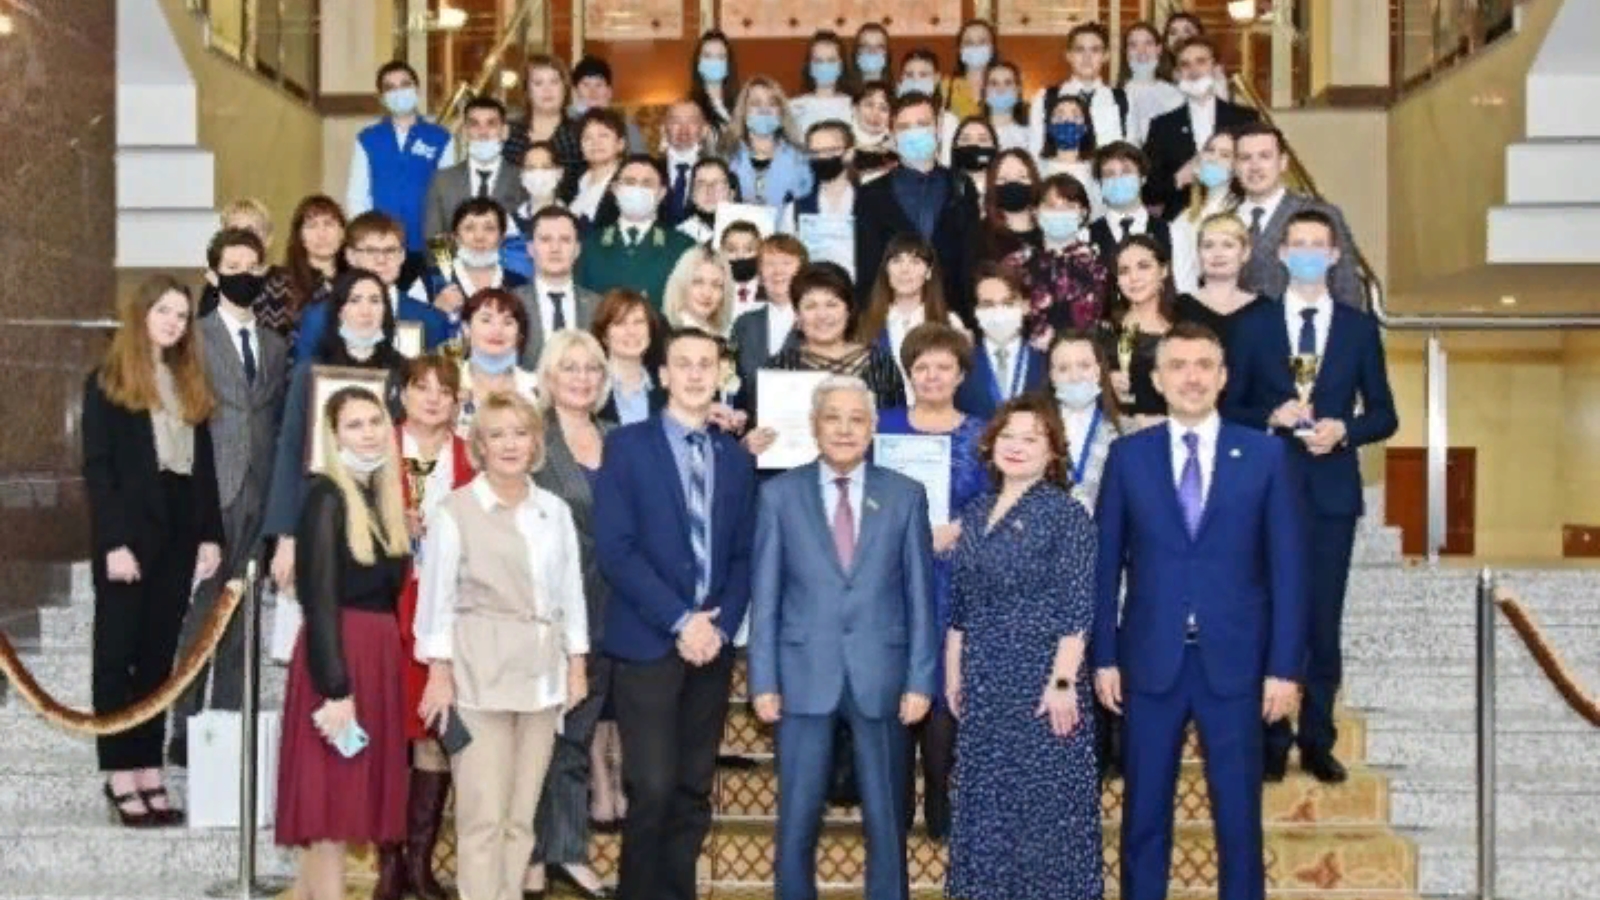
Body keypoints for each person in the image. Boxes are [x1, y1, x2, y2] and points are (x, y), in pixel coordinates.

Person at [1093, 321, 1308, 900]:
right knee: (1143, 818)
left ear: (1223, 377)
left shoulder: (1265, 456)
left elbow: (1289, 571)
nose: (1192, 377)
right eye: (1178, 365)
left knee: (1238, 819)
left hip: (1237, 666)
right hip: (1149, 663)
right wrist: (1104, 656)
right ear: (1158, 379)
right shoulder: (1128, 457)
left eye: (1204, 365)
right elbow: (1105, 566)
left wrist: (1284, 668)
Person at [1222, 209, 1397, 784]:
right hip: (1265, 492)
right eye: (1296, 243)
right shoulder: (1252, 326)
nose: (1305, 252)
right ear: (1279, 254)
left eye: (1316, 244)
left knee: (1323, 621)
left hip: (1330, 493)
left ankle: (1318, 739)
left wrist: (1345, 429)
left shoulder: (1358, 328)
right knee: (1268, 616)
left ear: (1335, 255)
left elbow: (1385, 414)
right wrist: (1269, 417)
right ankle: (1270, 739)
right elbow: (1228, 407)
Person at [747, 375, 936, 900]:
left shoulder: (906, 495)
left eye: (857, 419)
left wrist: (921, 679)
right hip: (802, 675)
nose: (845, 429)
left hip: (884, 677)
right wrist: (763, 680)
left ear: (873, 427)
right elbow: (766, 595)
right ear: (814, 426)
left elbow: (921, 597)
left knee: (887, 819)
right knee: (797, 819)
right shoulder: (779, 496)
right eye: (833, 417)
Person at [593, 327, 759, 900]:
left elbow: (744, 554)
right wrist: (681, 620)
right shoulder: (626, 446)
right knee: (653, 786)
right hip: (648, 641)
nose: (694, 374)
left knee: (692, 788)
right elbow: (616, 549)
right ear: (662, 375)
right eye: (682, 364)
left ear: (720, 375)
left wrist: (718, 625)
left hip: (712, 647)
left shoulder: (734, 459)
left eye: (705, 364)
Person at [415, 391, 589, 900]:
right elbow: (436, 600)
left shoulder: (554, 511)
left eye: (520, 433)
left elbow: (571, 592)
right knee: (482, 820)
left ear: (535, 442)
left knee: (520, 821)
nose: (510, 444)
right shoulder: (454, 511)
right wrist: (439, 673)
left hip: (542, 681)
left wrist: (577, 664)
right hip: (478, 678)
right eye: (497, 435)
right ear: (481, 446)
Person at [946, 392, 1100, 900]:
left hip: (1040, 684)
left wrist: (1063, 682)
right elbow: (961, 605)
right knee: (986, 811)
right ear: (990, 445)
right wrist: (953, 673)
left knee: (1043, 817)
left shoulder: (1066, 515)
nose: (1016, 446)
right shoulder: (977, 511)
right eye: (1007, 436)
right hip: (984, 684)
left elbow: (1077, 607)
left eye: (1031, 439)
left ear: (1052, 451)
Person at [83, 275, 223, 826]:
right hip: (129, 531)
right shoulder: (107, 381)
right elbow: (99, 471)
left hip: (179, 527)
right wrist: (114, 542)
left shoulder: (189, 380)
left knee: (159, 660)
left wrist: (210, 534)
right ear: (142, 314)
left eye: (181, 316)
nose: (173, 322)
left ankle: (148, 768)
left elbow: (204, 467)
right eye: (164, 311)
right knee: (117, 655)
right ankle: (119, 772)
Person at [274, 386, 411, 900]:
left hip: (377, 658)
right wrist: (336, 690)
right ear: (333, 437)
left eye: (375, 421)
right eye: (354, 425)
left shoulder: (382, 498)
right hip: (338, 662)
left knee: (339, 805)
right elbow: (320, 601)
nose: (368, 433)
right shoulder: (326, 496)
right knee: (330, 805)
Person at [168, 249, 290, 764]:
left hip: (259, 494)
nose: (244, 275)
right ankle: (184, 724)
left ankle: (226, 724)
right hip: (209, 492)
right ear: (213, 275)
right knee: (202, 613)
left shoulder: (275, 344)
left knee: (242, 616)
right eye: (232, 267)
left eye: (252, 267)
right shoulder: (194, 337)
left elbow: (277, 419)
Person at [875, 323, 988, 839]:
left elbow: (1000, 504)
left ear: (961, 374)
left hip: (957, 579)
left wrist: (959, 530)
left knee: (946, 692)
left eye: (944, 367)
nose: (933, 376)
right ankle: (893, 812)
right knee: (894, 688)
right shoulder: (882, 427)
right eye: (922, 367)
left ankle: (943, 804)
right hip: (889, 580)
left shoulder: (983, 435)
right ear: (908, 373)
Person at [524, 331, 619, 900]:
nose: (582, 378)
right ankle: (536, 854)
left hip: (610, 609)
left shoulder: (618, 438)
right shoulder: (532, 438)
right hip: (546, 610)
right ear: (549, 376)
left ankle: (565, 850)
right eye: (570, 368)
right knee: (541, 738)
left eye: (591, 369)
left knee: (577, 738)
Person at [266, 269, 410, 596]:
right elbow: (290, 453)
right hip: (318, 515)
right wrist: (286, 538)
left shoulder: (402, 373)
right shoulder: (309, 372)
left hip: (384, 518)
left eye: (375, 300)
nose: (365, 309)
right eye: (355, 300)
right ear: (339, 310)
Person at [387, 356, 473, 900]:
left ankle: (418, 861)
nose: (434, 399)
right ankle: (388, 863)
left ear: (458, 401)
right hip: (383, 605)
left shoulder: (470, 457)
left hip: (444, 613)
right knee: (386, 736)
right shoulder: (377, 446)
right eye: (422, 388)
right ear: (404, 395)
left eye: (445, 390)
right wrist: (390, 524)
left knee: (432, 735)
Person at [855, 90, 982, 325]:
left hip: (953, 314)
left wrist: (970, 320)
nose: (914, 133)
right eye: (904, 127)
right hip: (892, 316)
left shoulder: (962, 185)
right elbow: (868, 266)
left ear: (938, 128)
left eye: (922, 124)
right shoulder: (871, 194)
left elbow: (970, 258)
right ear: (892, 135)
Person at [1232, 123, 1363, 306]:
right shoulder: (1223, 221)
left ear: (1283, 163)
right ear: (1235, 166)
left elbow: (1346, 288)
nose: (1255, 166)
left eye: (1265, 156)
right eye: (1245, 158)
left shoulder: (1322, 214)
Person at [294, 212, 452, 361]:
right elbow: (303, 376)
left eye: (390, 251)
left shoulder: (431, 319)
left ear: (402, 256)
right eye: (370, 251)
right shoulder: (320, 316)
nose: (381, 260)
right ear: (350, 256)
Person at [347, 61, 455, 261]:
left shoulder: (440, 137)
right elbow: (357, 197)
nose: (399, 92)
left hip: (432, 243)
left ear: (417, 90)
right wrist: (367, 243)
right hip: (382, 247)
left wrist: (446, 254)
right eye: (390, 88)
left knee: (443, 280)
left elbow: (448, 197)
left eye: (405, 85)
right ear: (382, 97)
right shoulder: (368, 138)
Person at [1142, 38, 1258, 215]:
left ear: (1215, 68)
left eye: (1201, 61)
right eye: (1185, 65)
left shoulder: (1246, 119)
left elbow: (1257, 172)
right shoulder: (1162, 126)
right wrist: (1178, 179)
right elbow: (1148, 192)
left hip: (1237, 217)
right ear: (1177, 74)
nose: (1193, 70)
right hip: (1181, 220)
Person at [574, 155, 697, 306]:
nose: (637, 189)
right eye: (630, 182)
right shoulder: (589, 245)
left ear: (661, 193)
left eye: (647, 183)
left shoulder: (683, 246)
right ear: (615, 189)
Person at [1004, 173, 1109, 342]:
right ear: (1035, 211)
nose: (1059, 213)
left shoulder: (1099, 264)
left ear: (1083, 212)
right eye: (1051, 206)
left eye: (1068, 206)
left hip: (1085, 352)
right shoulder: (1016, 262)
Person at [854, 234, 966, 379]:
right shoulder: (865, 323)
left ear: (928, 272)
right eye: (897, 261)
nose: (905, 270)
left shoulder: (950, 322)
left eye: (915, 262)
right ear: (886, 270)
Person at [423, 197, 531, 336]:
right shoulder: (428, 282)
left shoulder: (520, 285)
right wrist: (434, 311)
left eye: (489, 228)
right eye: (469, 228)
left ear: (502, 238)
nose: (479, 237)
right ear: (455, 237)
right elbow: (409, 333)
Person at [423, 97, 525, 243]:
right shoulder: (442, 180)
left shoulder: (522, 180)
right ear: (464, 132)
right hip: (454, 258)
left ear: (504, 131)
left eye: (491, 124)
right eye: (474, 124)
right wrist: (452, 260)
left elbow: (528, 238)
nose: (483, 132)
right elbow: (434, 238)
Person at [955, 263, 1047, 419]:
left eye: (1008, 303)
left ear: (1026, 306)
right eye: (988, 305)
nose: (999, 311)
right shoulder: (961, 363)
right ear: (975, 311)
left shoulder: (1045, 362)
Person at [1102, 235, 1176, 428]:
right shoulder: (1102, 332)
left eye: (1143, 266)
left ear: (1164, 271)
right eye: (1124, 271)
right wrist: (1104, 385)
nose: (1134, 278)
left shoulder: (1182, 333)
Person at [516, 206, 602, 366]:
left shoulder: (598, 306)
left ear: (577, 249)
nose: (555, 249)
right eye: (545, 239)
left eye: (565, 240)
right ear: (530, 249)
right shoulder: (513, 303)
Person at [1047, 330, 1123, 511]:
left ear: (1098, 371)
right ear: (1052, 376)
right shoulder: (1037, 428)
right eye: (1063, 369)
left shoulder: (1124, 430)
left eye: (1084, 366)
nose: (1075, 377)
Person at [1028, 23, 1128, 157]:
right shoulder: (1045, 98)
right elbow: (1035, 150)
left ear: (1106, 56)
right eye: (1080, 50)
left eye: (1095, 50)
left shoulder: (1122, 99)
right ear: (1068, 55)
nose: (1087, 57)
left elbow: (1131, 151)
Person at [728, 234, 808, 399]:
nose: (778, 271)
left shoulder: (817, 322)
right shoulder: (744, 324)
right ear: (760, 276)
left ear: (803, 272)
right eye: (770, 263)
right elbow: (731, 384)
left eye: (786, 263)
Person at [453, 288, 539, 436]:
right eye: (486, 320)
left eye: (507, 322)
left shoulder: (537, 389)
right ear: (466, 329)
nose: (497, 330)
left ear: (519, 334)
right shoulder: (448, 383)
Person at [724, 76, 814, 211]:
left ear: (781, 112)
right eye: (756, 103)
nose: (764, 110)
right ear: (743, 111)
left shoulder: (800, 157)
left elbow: (807, 205)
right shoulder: (727, 156)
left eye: (772, 103)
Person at [1169, 132, 1240, 296]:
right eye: (1210, 150)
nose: (1214, 159)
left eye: (1225, 155)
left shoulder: (1241, 212)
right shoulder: (1186, 215)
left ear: (1236, 167)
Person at [1175, 213, 1263, 344]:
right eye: (1208, 245)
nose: (1217, 253)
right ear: (1198, 253)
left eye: (1228, 245)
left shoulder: (1265, 309)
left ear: (1245, 253)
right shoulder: (1177, 308)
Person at [281, 195, 348, 351]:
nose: (321, 234)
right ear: (300, 236)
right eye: (312, 226)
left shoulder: (358, 282)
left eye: (329, 224)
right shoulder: (280, 284)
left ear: (342, 233)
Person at [593, 288, 667, 426]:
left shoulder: (668, 388)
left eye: (638, 322)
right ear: (604, 336)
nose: (631, 331)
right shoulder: (590, 386)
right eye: (620, 323)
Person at [504, 55, 584, 180]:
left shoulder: (580, 133)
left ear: (565, 87)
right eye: (538, 83)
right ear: (527, 91)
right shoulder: (508, 134)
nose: (547, 90)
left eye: (554, 82)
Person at [1088, 142, 1171, 262]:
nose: (1118, 179)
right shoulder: (1085, 236)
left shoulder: (1171, 232)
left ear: (1143, 178)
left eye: (1126, 171)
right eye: (1109, 174)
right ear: (1100, 184)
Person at [568, 55, 647, 151]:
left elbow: (639, 158)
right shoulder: (564, 121)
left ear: (609, 91)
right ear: (576, 90)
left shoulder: (627, 126)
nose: (592, 92)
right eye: (586, 85)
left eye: (599, 85)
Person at [790, 31, 856, 137]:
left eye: (831, 60)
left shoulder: (854, 107)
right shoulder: (794, 107)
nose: (825, 66)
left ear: (841, 65)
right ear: (809, 66)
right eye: (818, 61)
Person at [660, 101, 714, 227]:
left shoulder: (718, 172)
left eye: (692, 122)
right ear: (664, 129)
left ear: (705, 130)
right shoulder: (650, 170)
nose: (684, 129)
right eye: (676, 122)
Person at [945, 19, 998, 120]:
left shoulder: (1004, 85)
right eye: (969, 42)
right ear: (960, 50)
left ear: (992, 49)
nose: (975, 47)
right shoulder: (946, 88)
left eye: (982, 41)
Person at [690, 30, 740, 134]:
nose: (714, 62)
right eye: (707, 56)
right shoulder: (690, 108)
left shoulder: (741, 104)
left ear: (728, 64)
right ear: (698, 63)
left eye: (721, 57)